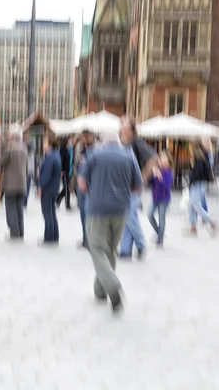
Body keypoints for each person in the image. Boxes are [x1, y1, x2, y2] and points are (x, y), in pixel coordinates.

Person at [78, 132, 143, 313]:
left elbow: (82, 182)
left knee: (97, 248)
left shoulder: (94, 154)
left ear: (103, 142)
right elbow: (138, 187)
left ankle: (112, 286)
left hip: (97, 208)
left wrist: (92, 192)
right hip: (121, 209)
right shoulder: (129, 156)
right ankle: (101, 290)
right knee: (111, 249)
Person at [119, 116, 158, 259]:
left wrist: (142, 177)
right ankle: (125, 249)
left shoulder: (136, 142)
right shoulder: (124, 144)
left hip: (133, 187)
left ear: (130, 129)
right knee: (128, 216)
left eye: (123, 124)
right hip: (124, 186)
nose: (120, 127)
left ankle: (141, 244)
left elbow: (154, 158)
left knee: (129, 216)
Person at [0, 124, 28, 240]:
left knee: (11, 208)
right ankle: (20, 232)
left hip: (11, 184)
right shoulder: (24, 148)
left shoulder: (10, 148)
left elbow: (1, 162)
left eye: (9, 134)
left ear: (13, 137)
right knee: (19, 209)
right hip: (22, 183)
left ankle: (14, 233)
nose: (8, 136)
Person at [188, 142, 218, 235]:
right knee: (191, 205)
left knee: (195, 204)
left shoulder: (199, 160)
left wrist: (192, 166)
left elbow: (196, 174)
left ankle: (212, 222)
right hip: (201, 184)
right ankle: (193, 227)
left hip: (197, 184)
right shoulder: (204, 158)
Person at [38, 139, 62, 245]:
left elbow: (46, 175)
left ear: (50, 145)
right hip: (54, 187)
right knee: (51, 212)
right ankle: (54, 235)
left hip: (48, 188)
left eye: (45, 143)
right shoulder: (56, 156)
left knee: (47, 212)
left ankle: (49, 236)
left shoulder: (49, 157)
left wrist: (40, 186)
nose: (43, 145)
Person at [148, 151, 174, 247]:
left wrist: (159, 177)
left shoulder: (169, 172)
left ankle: (160, 239)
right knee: (150, 215)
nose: (161, 160)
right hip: (155, 197)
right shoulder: (157, 169)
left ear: (168, 160)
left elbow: (167, 186)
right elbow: (152, 184)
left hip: (164, 199)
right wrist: (151, 174)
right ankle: (160, 233)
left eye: (163, 158)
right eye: (160, 158)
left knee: (161, 218)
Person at [75, 130, 96, 249]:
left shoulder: (95, 151)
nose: (85, 139)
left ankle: (90, 239)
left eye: (87, 137)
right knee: (83, 213)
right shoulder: (81, 151)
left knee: (89, 214)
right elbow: (77, 168)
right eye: (83, 137)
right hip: (81, 186)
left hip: (90, 187)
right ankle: (85, 238)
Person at [56, 137, 75, 210]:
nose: (71, 142)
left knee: (66, 187)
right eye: (70, 141)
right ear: (66, 141)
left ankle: (57, 200)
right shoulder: (63, 149)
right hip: (65, 171)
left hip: (70, 170)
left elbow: (72, 160)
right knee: (67, 188)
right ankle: (67, 204)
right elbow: (61, 160)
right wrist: (62, 170)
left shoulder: (71, 149)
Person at [23, 131, 36, 207]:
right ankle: (24, 201)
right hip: (27, 169)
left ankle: (24, 201)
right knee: (25, 186)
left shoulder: (30, 145)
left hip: (28, 169)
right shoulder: (32, 145)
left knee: (27, 186)